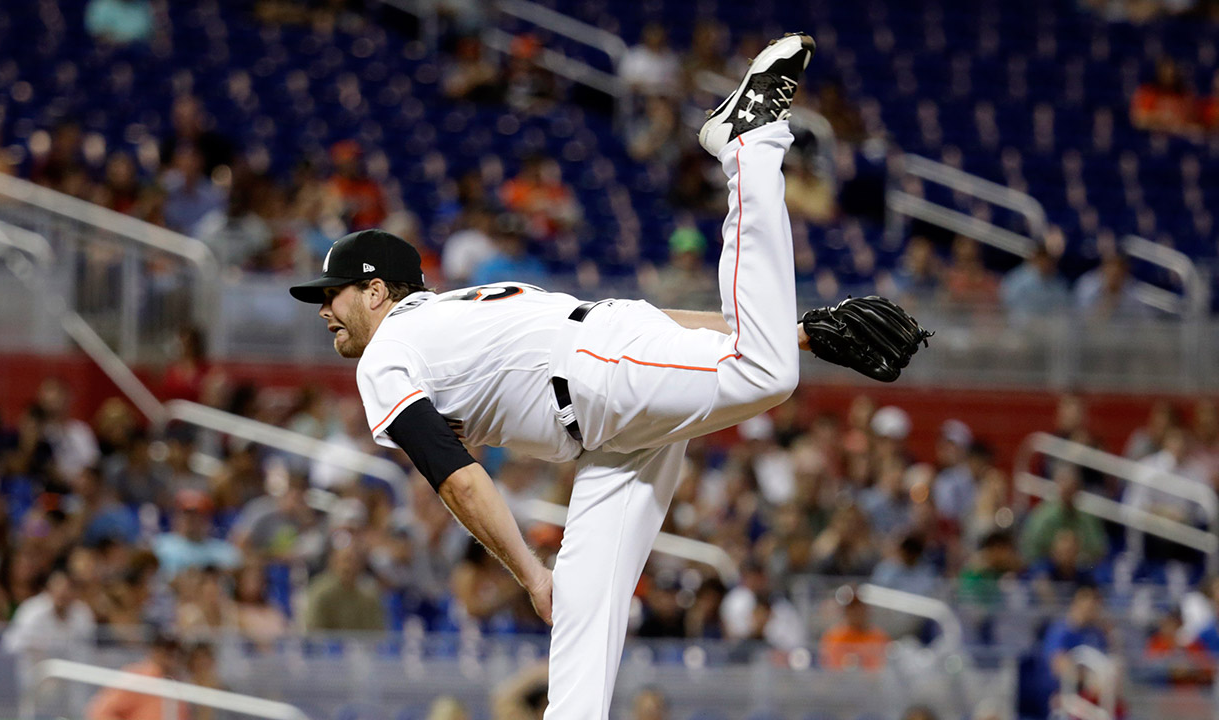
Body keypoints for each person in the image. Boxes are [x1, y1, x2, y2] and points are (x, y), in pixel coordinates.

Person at [287, 35, 910, 718]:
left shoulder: (389, 351)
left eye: (334, 293)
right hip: (606, 404)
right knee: (586, 611)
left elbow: (455, 475)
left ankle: (747, 145)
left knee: (766, 375)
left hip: (597, 380)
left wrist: (527, 572)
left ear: (378, 290)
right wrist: (798, 335)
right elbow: (644, 328)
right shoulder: (453, 319)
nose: (325, 309)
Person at [85, 635, 184, 720]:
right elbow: (100, 712)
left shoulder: (179, 683)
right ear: (155, 651)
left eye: (175, 652)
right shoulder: (138, 678)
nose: (171, 657)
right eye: (166, 651)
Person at [302, 545, 384, 631]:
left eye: (356, 561)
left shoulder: (368, 595)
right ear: (333, 562)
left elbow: (375, 632)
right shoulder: (320, 592)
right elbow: (314, 630)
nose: (350, 566)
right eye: (346, 560)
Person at [819, 589, 890, 670]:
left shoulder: (879, 637)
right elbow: (830, 670)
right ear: (845, 611)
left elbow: (884, 670)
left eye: (860, 607)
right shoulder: (833, 637)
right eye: (852, 608)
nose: (856, 612)